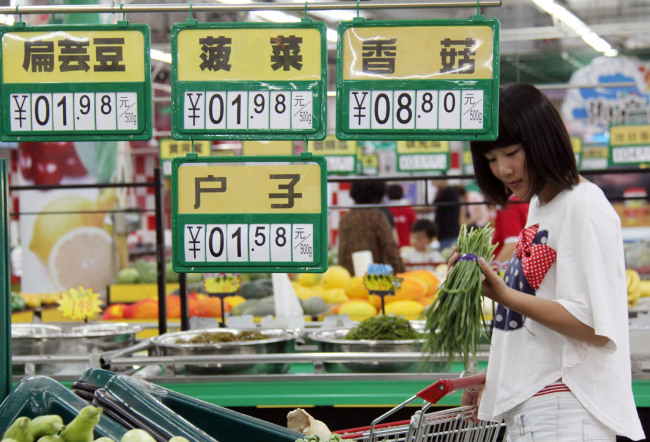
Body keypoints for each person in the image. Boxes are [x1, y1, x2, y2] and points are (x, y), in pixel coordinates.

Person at [455, 83, 644, 441]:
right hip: (540, 407)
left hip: (565, 409)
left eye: (511, 152)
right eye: (491, 159)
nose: (503, 170)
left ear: (543, 139)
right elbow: (535, 324)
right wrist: (493, 377)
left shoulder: (584, 205)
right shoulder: (541, 207)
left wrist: (504, 295)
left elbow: (594, 326)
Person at [338, 180, 405, 276]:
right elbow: (390, 248)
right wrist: (402, 273)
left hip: (349, 277)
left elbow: (342, 253)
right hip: (374, 277)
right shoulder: (377, 217)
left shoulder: (345, 219)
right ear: (379, 194)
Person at [491, 195, 529, 264]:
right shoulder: (522, 198)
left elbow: (512, 244)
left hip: (510, 266)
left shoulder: (510, 204)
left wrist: (492, 270)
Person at [430, 179, 461, 250]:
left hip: (448, 234)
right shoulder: (449, 192)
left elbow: (431, 208)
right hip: (448, 234)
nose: (435, 184)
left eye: (436, 181)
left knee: (448, 255)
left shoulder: (447, 191)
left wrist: (410, 208)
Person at [386, 184, 417, 248]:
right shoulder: (408, 210)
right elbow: (415, 228)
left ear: (388, 196)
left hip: (390, 247)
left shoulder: (386, 211)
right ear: (402, 194)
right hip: (407, 246)